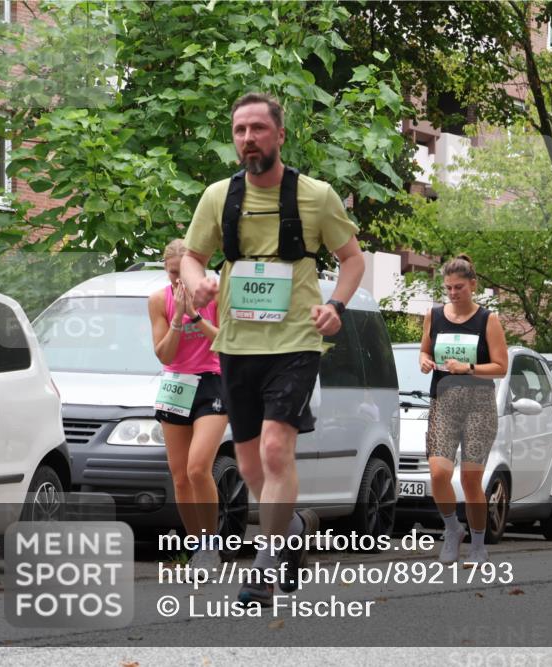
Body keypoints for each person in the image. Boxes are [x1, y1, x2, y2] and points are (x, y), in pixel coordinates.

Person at [180, 92, 365, 604]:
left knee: (276, 449)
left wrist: (336, 306)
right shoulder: (218, 197)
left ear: (280, 135)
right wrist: (198, 283)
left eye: (258, 128)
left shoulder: (316, 196)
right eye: (240, 130)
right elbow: (193, 257)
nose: (248, 138)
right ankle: (293, 529)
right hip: (237, 344)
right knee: (249, 466)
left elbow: (352, 260)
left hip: (296, 342)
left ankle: (263, 566)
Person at [419, 255, 508, 566]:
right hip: (443, 403)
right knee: (438, 473)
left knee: (471, 481)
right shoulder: (433, 315)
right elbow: (425, 350)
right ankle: (452, 529)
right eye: (448, 288)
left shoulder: (487, 320)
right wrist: (424, 361)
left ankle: (478, 546)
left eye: (459, 287)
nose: (453, 293)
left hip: (479, 406)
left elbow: (501, 367)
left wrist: (468, 368)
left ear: (473, 285)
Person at [149, 239, 227, 572]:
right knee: (180, 476)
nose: (179, 281)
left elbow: (224, 342)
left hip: (212, 381)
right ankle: (198, 547)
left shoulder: (216, 294)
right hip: (177, 384)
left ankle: (211, 546)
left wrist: (195, 315)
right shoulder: (158, 300)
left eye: (183, 273)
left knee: (198, 468)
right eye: (172, 274)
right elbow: (164, 354)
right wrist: (178, 318)